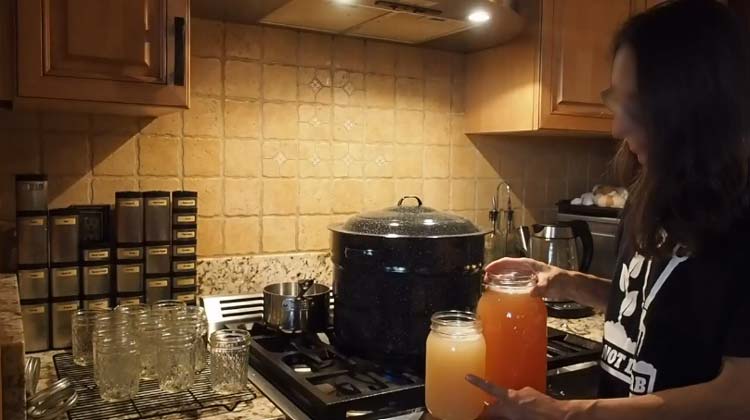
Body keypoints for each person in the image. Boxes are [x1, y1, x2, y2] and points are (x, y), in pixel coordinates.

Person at [465, 0, 750, 419]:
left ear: (696, 107)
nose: (618, 127)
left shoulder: (742, 217)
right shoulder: (649, 191)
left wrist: (573, 413)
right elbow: (653, 309)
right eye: (618, 101)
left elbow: (739, 394)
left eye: (637, 108)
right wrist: (567, 281)